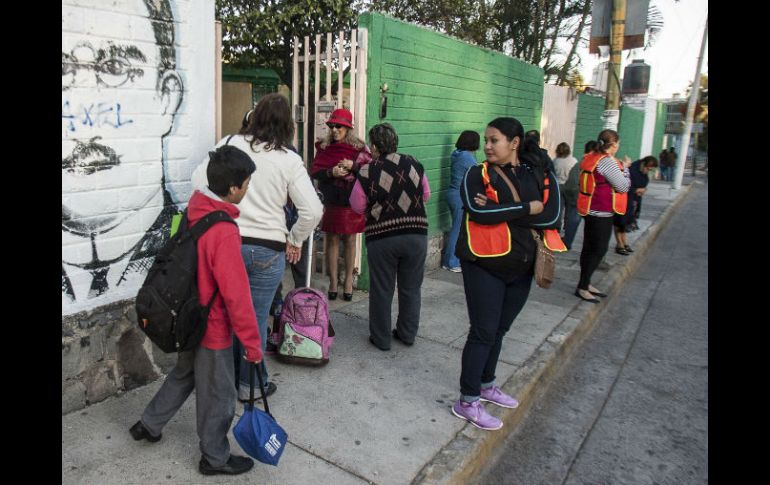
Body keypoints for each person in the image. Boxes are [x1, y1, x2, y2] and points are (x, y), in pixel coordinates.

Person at [129, 145, 262, 476]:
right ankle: (215, 457)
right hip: (211, 326)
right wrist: (252, 344)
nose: (248, 189)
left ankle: (149, 424)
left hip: (186, 317)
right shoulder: (224, 231)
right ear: (233, 188)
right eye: (247, 183)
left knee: (184, 374)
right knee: (219, 395)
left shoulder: (196, 210)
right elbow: (237, 296)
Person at [191, 93, 323, 402]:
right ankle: (251, 385)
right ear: (288, 125)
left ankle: (225, 383)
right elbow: (313, 211)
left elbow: (198, 181)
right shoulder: (289, 159)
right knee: (255, 319)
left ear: (255, 117)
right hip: (267, 249)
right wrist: (295, 239)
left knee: (223, 318)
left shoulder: (229, 144)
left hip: (227, 242)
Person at [62, 0, 183, 310]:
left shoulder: (188, 245)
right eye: (64, 70)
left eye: (115, 68)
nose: (83, 121)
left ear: (166, 99)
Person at [451, 117, 561, 431]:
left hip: (522, 267)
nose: (487, 146)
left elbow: (552, 214)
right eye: (486, 139)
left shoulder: (535, 172)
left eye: (494, 140)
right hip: (482, 264)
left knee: (499, 330)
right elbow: (479, 211)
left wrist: (505, 210)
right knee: (483, 332)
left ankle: (487, 384)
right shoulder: (477, 172)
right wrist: (528, 208)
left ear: (514, 143)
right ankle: (468, 400)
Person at [350, 123, 431, 351]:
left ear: (374, 146)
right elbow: (426, 194)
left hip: (383, 236)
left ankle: (381, 339)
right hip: (416, 234)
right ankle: (407, 334)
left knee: (382, 289)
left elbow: (356, 205)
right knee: (411, 288)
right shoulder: (414, 163)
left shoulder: (367, 170)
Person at [311, 109, 372, 301]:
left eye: (339, 126)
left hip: (351, 200)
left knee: (351, 240)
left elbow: (370, 170)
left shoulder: (359, 148)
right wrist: (331, 173)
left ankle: (347, 283)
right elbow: (315, 171)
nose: (335, 129)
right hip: (332, 199)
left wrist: (352, 166)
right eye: (332, 126)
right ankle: (333, 283)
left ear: (348, 128)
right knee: (332, 240)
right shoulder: (324, 146)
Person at [574, 130, 630, 303]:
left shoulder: (592, 157)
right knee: (598, 249)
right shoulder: (607, 162)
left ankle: (585, 283)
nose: (618, 147)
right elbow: (622, 187)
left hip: (590, 210)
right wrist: (626, 169)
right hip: (602, 213)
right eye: (617, 144)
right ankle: (583, 287)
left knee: (589, 248)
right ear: (612, 145)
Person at [442, 131, 480, 273]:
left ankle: (450, 260)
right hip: (459, 196)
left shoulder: (457, 153)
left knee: (457, 228)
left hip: (453, 194)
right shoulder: (466, 157)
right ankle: (451, 262)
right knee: (457, 230)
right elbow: (478, 172)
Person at [561, 141, 598, 250]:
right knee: (579, 222)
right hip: (585, 199)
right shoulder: (588, 164)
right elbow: (572, 184)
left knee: (573, 221)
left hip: (581, 199)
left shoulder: (581, 164)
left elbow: (571, 185)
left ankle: (567, 242)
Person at [625, 155, 659, 234]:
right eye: (647, 169)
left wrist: (643, 190)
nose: (648, 171)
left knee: (629, 225)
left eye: (650, 170)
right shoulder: (632, 169)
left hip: (635, 199)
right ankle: (621, 244)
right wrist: (637, 190)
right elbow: (624, 186)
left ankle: (623, 243)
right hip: (627, 199)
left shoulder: (642, 171)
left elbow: (644, 182)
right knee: (623, 224)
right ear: (643, 164)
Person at [552, 142, 579, 234]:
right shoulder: (574, 161)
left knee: (559, 208)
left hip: (558, 187)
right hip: (571, 187)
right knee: (570, 209)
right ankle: (567, 226)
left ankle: (557, 226)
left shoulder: (555, 161)